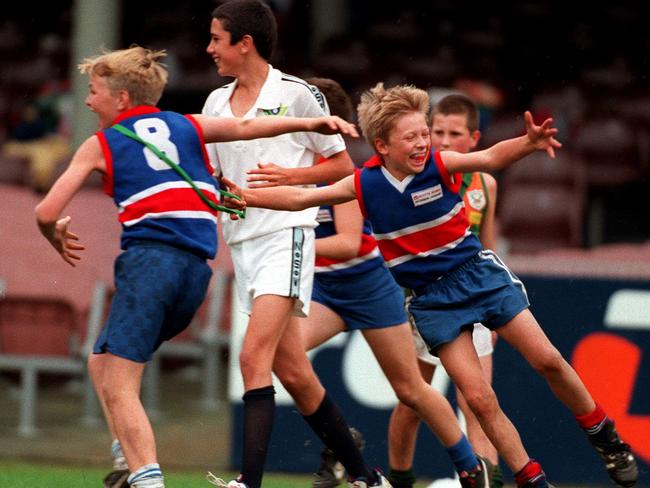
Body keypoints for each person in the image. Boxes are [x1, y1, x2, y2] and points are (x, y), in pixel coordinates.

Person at [221, 83, 639, 488]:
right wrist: (247, 198)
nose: (424, 143)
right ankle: (533, 480)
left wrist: (527, 143)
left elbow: (492, 157)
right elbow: (300, 200)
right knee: (476, 399)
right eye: (413, 137)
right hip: (433, 302)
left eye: (425, 133)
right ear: (383, 146)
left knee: (547, 359)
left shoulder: (441, 164)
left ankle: (604, 435)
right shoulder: (364, 184)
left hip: (477, 275)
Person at [34, 45, 358, 488]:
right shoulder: (187, 123)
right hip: (196, 274)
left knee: (119, 382)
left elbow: (46, 211)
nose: (88, 100)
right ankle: (127, 456)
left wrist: (54, 235)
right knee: (101, 360)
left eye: (93, 91)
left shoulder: (100, 143)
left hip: (151, 263)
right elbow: (246, 127)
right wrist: (308, 122)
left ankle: (144, 475)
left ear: (122, 98)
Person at [269, 78, 497, 488]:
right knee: (281, 358)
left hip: (371, 287)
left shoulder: (348, 169)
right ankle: (343, 446)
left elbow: (349, 241)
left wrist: (287, 253)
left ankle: (470, 466)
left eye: (295, 113)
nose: (286, 120)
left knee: (413, 392)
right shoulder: (289, 161)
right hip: (323, 290)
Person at [201, 2, 390, 488]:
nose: (209, 49)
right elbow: (220, 178)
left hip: (286, 236)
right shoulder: (215, 104)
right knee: (294, 372)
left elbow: (342, 169)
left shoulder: (299, 95)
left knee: (251, 357)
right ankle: (367, 478)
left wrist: (290, 178)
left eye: (217, 39)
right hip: (241, 243)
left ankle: (248, 482)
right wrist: (219, 191)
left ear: (245, 43)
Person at [386, 94, 501, 488]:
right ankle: (400, 478)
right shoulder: (414, 177)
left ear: (474, 139)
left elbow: (487, 246)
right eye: (439, 133)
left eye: (455, 133)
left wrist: (496, 309)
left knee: (478, 401)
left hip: (474, 295)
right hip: (424, 301)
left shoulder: (484, 182)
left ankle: (487, 481)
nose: (446, 141)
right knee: (413, 399)